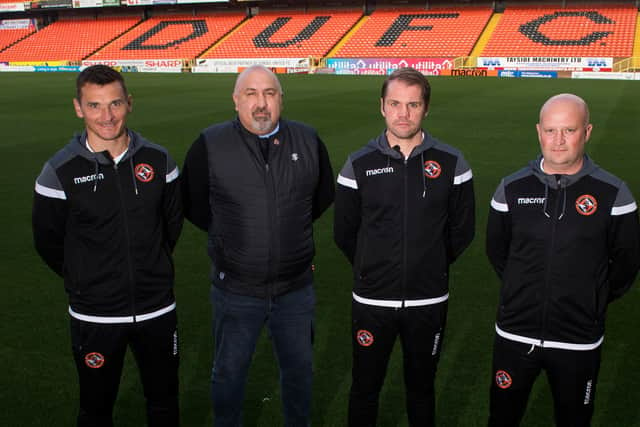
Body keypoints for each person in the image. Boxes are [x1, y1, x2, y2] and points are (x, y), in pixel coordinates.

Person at [181, 64, 335, 427]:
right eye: (251, 94)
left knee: (299, 374)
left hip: (295, 290)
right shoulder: (209, 144)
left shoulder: (309, 140)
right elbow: (195, 205)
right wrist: (233, 234)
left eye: (269, 93)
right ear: (236, 101)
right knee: (228, 375)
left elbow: (320, 199)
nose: (260, 103)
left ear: (282, 98)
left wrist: (282, 229)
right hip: (235, 289)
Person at [32, 64, 183, 427]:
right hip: (95, 315)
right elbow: (48, 241)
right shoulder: (59, 171)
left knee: (164, 404)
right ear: (78, 107)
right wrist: (84, 278)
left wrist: (150, 265)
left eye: (115, 104)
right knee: (95, 410)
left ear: (129, 103)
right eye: (95, 105)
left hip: (156, 310)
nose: (107, 116)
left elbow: (170, 226)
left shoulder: (160, 161)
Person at [486, 93, 640, 426]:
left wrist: (591, 297)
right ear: (539, 131)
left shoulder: (614, 194)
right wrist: (523, 289)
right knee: (501, 418)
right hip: (516, 334)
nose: (558, 141)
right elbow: (498, 252)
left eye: (568, 130)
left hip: (578, 339)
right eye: (551, 130)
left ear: (586, 132)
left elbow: (627, 264)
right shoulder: (510, 189)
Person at [334, 67, 475, 426]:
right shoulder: (358, 164)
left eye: (413, 105)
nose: (403, 113)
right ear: (382, 106)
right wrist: (372, 265)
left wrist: (430, 264)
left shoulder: (452, 163)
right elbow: (345, 233)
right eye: (395, 103)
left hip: (428, 301)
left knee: (422, 388)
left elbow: (462, 232)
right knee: (365, 388)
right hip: (372, 302)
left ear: (426, 108)